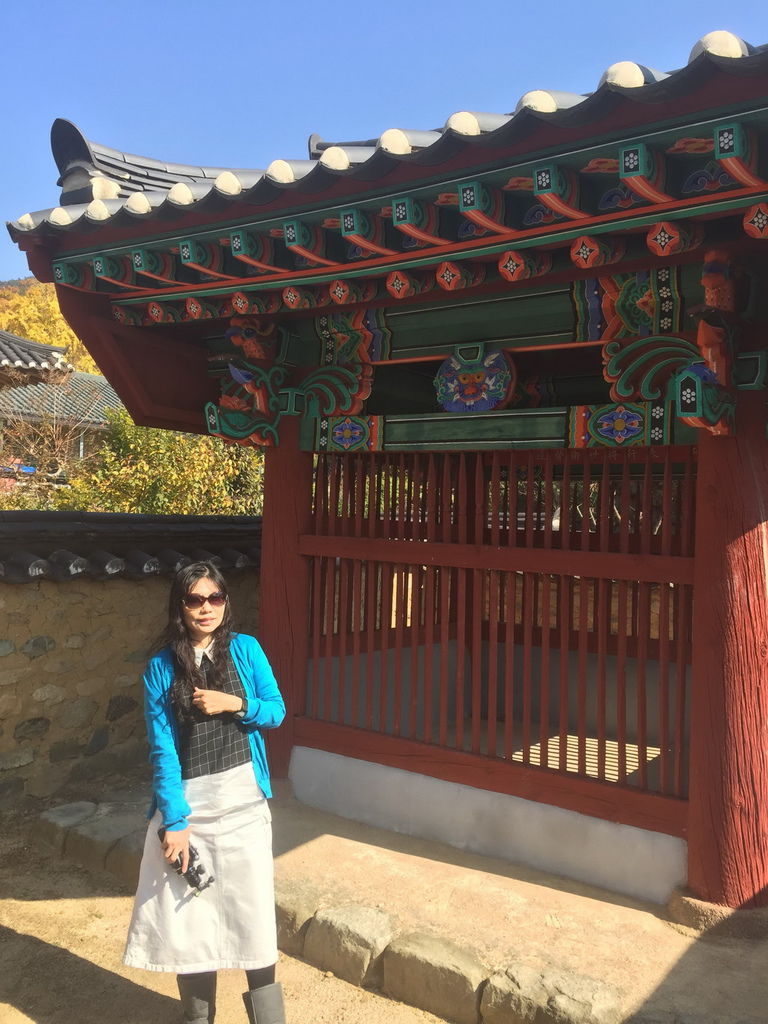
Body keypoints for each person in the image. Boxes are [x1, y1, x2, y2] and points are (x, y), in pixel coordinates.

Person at [123, 561, 286, 1024]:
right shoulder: (161, 667)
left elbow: (275, 712)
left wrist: (236, 704)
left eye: (215, 597)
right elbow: (162, 750)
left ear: (225, 602)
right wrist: (175, 821)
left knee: (253, 916)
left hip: (243, 805)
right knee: (189, 921)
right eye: (195, 599)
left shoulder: (246, 649)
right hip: (190, 808)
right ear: (180, 606)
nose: (206, 608)